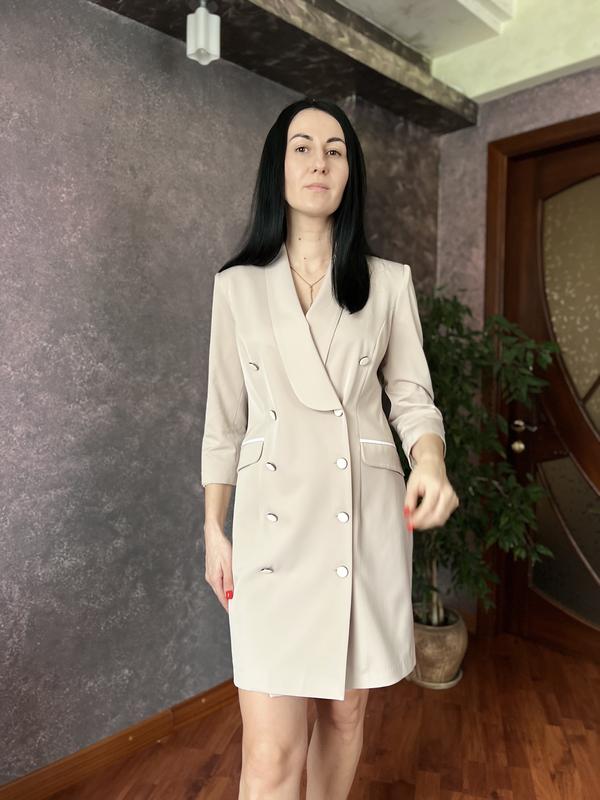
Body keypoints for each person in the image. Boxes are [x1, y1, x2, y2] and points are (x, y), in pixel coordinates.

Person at [201, 97, 459, 800]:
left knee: (345, 717)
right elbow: (224, 420)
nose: (319, 161)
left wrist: (430, 460)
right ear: (278, 168)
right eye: (303, 147)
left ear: (349, 173)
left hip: (361, 520)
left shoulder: (388, 282)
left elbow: (411, 395)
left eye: (335, 150)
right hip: (273, 528)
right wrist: (213, 526)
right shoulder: (237, 287)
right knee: (271, 750)